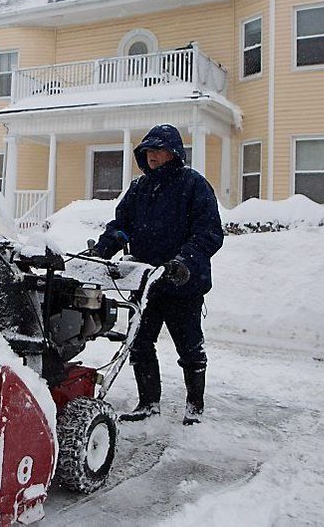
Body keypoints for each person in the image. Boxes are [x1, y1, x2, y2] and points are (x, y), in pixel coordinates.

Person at [89, 124, 223, 425]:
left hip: (182, 283)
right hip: (146, 281)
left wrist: (184, 261)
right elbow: (121, 226)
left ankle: (194, 406)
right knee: (139, 343)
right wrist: (103, 249)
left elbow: (209, 232)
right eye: (147, 151)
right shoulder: (139, 189)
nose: (151, 156)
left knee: (189, 347)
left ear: (173, 153)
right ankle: (148, 402)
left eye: (157, 150)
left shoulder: (193, 185)